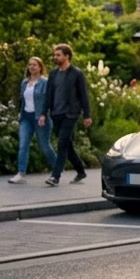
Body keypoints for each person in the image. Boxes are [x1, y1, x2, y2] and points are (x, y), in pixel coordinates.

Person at [42, 43, 92, 187]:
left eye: (58, 55)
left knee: (62, 143)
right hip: (56, 114)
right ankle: (81, 170)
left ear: (67, 56)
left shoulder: (77, 73)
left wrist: (87, 115)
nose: (55, 57)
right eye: (55, 55)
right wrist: (44, 113)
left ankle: (55, 176)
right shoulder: (53, 73)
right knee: (67, 145)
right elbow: (48, 95)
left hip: (70, 114)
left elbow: (84, 96)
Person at [8, 57, 57, 184]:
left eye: (34, 65)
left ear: (40, 67)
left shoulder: (45, 82)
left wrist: (43, 114)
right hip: (26, 118)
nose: (31, 67)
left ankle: (57, 169)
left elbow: (48, 101)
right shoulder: (24, 82)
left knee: (45, 146)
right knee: (23, 145)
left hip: (40, 117)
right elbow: (23, 100)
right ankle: (21, 173)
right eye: (30, 65)